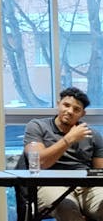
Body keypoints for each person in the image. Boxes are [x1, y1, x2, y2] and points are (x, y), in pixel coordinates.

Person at [23, 86, 103, 220]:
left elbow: (100, 172)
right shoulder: (37, 126)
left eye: (76, 109)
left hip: (86, 187)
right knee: (67, 208)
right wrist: (70, 138)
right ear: (58, 104)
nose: (70, 111)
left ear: (82, 114)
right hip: (50, 184)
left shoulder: (92, 134)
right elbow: (39, 162)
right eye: (66, 105)